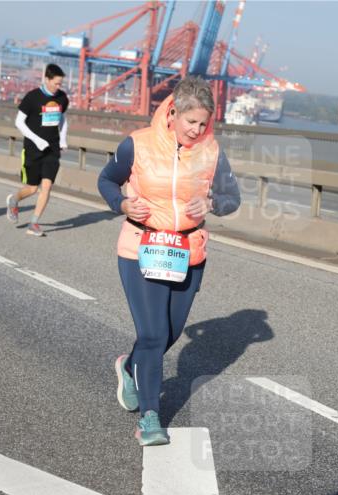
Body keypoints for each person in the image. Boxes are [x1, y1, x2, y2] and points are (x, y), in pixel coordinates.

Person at [97, 77, 241, 446]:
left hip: (187, 252)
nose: (197, 130)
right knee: (153, 334)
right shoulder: (138, 144)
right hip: (141, 246)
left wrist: (211, 204)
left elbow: (231, 197)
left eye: (204, 123)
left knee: (170, 334)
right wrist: (124, 204)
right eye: (191, 122)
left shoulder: (211, 151)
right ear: (173, 113)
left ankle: (129, 367)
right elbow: (107, 181)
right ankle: (150, 417)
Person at [5, 63, 69, 237]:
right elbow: (19, 122)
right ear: (46, 79)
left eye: (60, 83)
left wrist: (62, 140)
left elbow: (62, 120)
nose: (58, 87)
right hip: (33, 149)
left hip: (52, 150)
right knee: (32, 188)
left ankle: (34, 223)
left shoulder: (62, 98)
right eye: (56, 83)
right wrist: (37, 140)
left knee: (47, 187)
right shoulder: (32, 97)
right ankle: (14, 200)